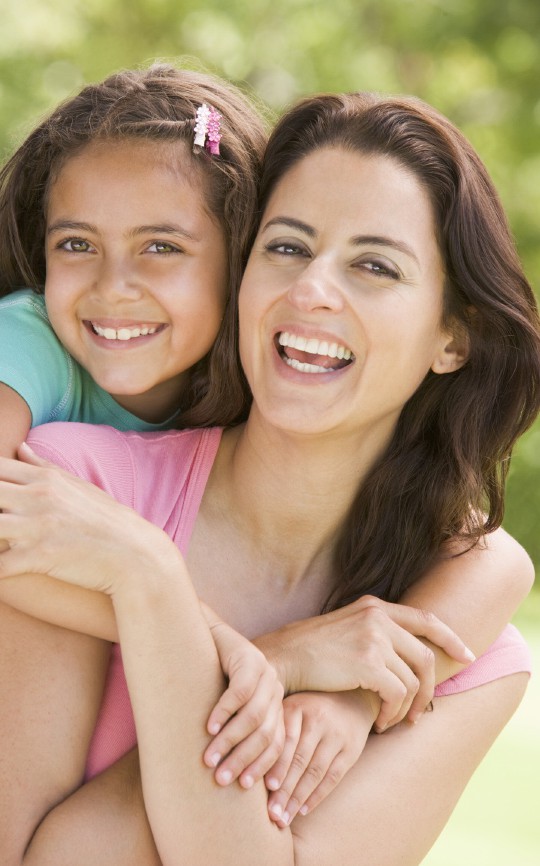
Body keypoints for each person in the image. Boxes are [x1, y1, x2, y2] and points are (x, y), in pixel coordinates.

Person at [0, 90, 538, 866]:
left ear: (454, 337)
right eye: (287, 248)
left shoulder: (454, 656)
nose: (312, 289)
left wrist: (189, 617)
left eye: (375, 265)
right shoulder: (76, 493)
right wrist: (161, 584)